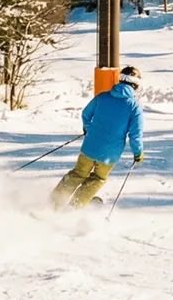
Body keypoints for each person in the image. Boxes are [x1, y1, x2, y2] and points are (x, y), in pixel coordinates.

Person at [51, 66, 144, 209]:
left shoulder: (102, 97)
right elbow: (135, 135)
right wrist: (138, 153)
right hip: (109, 153)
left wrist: (89, 130)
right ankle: (74, 207)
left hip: (90, 147)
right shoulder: (134, 107)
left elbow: (86, 115)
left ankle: (53, 203)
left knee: (77, 174)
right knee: (98, 179)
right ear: (135, 85)